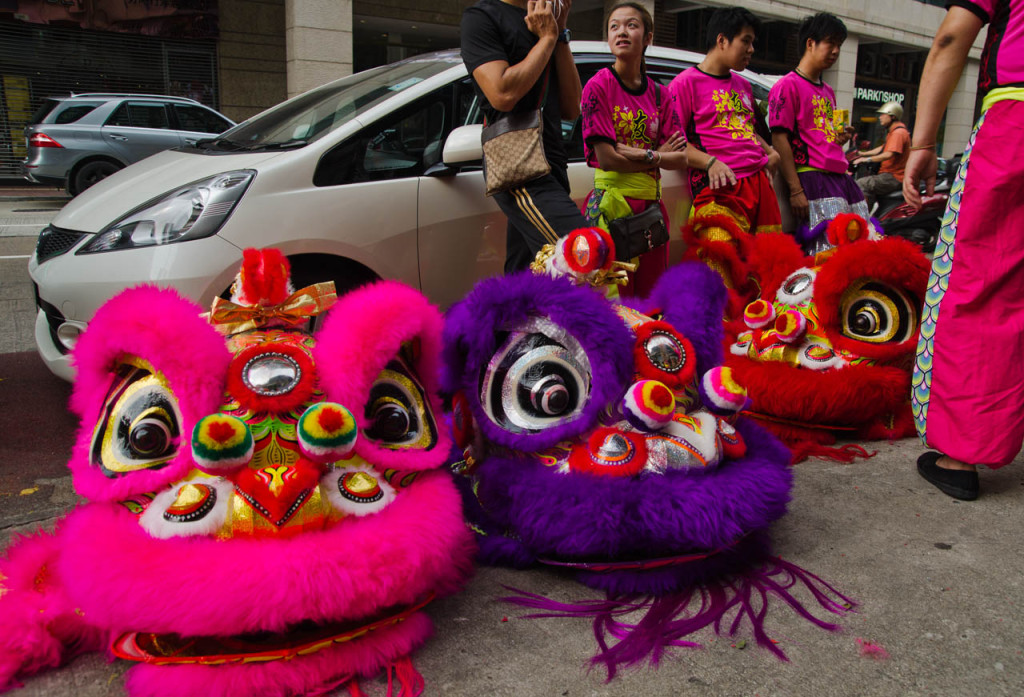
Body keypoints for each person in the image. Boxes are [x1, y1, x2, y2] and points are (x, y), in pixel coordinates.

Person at [904, 0, 1024, 500]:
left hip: (1014, 122)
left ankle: (962, 452)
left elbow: (953, 38)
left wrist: (923, 142)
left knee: (982, 281)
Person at [461, 0, 588, 273]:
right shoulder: (482, 16)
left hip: (552, 159)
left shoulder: (545, 20)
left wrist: (560, 33)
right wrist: (548, 38)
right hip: (518, 163)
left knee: (525, 274)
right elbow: (502, 93)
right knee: (586, 257)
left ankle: (510, 315)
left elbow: (571, 106)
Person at [667, 6, 781, 301]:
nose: (751, 49)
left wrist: (771, 151)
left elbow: (745, 127)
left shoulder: (743, 85)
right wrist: (710, 162)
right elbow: (673, 142)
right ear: (722, 40)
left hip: (760, 188)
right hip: (720, 190)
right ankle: (719, 339)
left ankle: (755, 338)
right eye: (746, 40)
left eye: (752, 42)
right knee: (719, 269)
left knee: (764, 271)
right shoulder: (685, 84)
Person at [579, 2, 688, 297]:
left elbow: (681, 156)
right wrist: (657, 157)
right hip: (610, 209)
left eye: (631, 25)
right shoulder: (598, 86)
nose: (621, 32)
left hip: (651, 213)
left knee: (650, 298)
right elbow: (607, 158)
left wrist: (643, 154)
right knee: (612, 300)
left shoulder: (660, 94)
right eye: (614, 26)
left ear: (648, 37)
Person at [768, 12, 869, 254]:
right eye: (830, 43)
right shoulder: (787, 86)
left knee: (855, 246)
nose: (835, 51)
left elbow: (826, 138)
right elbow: (780, 138)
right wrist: (796, 190)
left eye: (839, 45)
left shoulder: (828, 91)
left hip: (840, 179)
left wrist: (840, 137)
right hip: (812, 180)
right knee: (825, 252)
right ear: (810, 43)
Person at [853, 101, 910, 209]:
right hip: (888, 175)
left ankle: (863, 218)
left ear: (892, 116)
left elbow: (888, 154)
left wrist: (866, 159)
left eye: (883, 114)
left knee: (862, 183)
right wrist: (861, 154)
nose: (880, 117)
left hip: (893, 177)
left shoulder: (898, 133)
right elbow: (882, 148)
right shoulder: (893, 132)